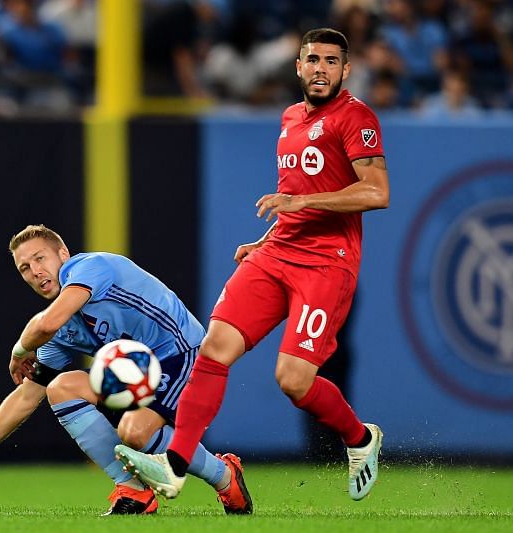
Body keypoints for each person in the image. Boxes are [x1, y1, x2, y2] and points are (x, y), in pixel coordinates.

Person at [115, 28, 388, 503]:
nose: (320, 68)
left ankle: (361, 439)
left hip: (326, 263)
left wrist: (301, 202)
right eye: (312, 60)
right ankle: (176, 465)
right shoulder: (289, 118)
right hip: (276, 253)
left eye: (330, 61)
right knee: (214, 346)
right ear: (298, 67)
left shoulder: (356, 116)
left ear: (346, 70)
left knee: (293, 380)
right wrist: (263, 239)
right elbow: (294, 198)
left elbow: (377, 192)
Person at [0, 225, 252, 516]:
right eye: (24, 268)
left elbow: (47, 322)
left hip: (184, 354)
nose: (34, 271)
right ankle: (134, 490)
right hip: (140, 371)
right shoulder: (62, 332)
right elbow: (26, 396)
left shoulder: (88, 267)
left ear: (62, 253)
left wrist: (20, 349)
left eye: (40, 258)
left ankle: (224, 475)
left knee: (135, 432)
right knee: (60, 387)